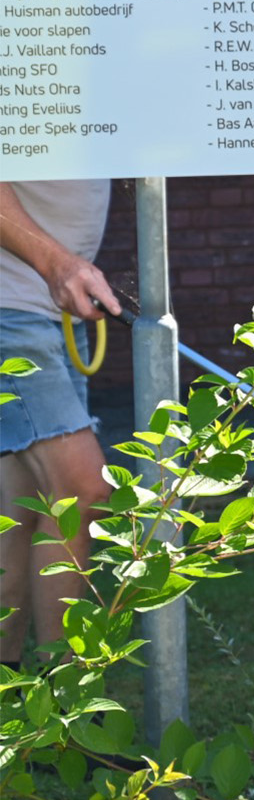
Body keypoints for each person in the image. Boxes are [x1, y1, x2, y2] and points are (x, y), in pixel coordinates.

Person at [0, 179, 119, 673]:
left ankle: (12, 720)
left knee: (19, 513)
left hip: (49, 307)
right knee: (80, 490)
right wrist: (58, 264)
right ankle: (65, 719)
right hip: (15, 304)